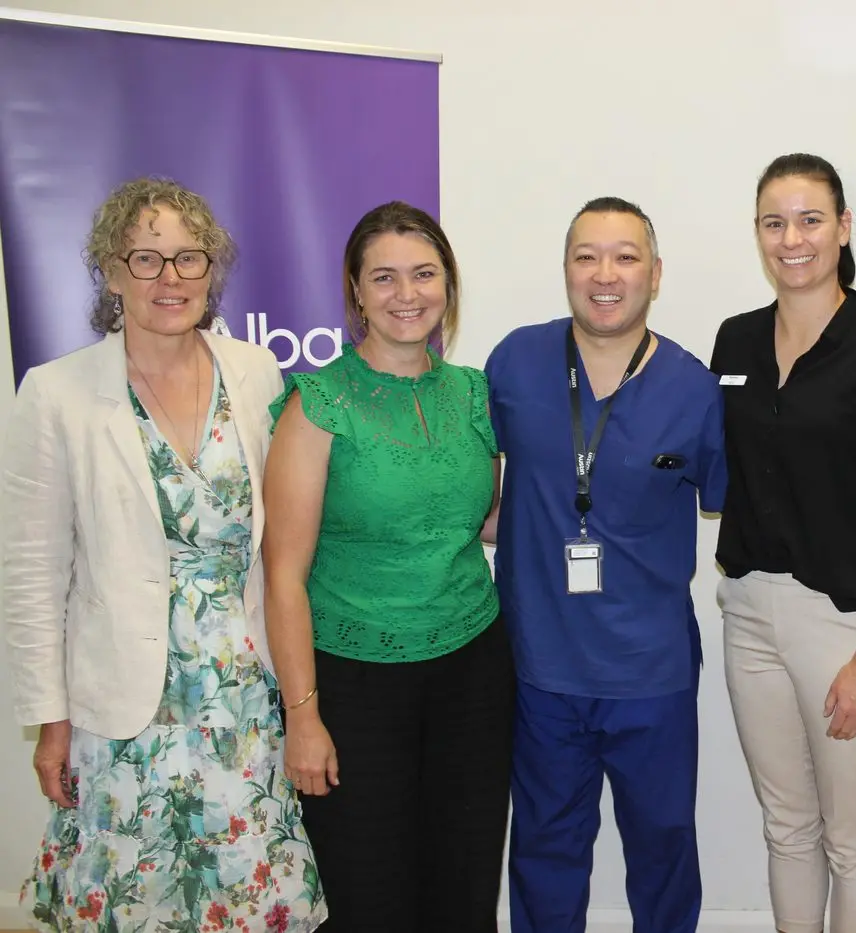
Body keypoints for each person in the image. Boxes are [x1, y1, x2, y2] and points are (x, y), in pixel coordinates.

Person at [2, 177, 325, 931]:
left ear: (213, 271)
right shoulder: (56, 393)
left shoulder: (255, 374)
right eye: (145, 259)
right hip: (121, 710)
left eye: (189, 258)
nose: (169, 278)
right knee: (130, 905)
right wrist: (50, 719)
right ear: (111, 272)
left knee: (244, 900)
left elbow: (283, 545)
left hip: (241, 701)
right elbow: (31, 575)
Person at [260, 201, 513, 932]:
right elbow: (283, 573)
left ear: (448, 286)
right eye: (386, 277)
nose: (408, 294)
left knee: (464, 883)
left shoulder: (472, 393)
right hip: (351, 682)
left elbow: (481, 519)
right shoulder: (317, 403)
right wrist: (302, 716)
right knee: (370, 893)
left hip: (472, 669)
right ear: (356, 292)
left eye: (425, 274)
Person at [710, 153, 856, 933]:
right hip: (746, 613)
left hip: (844, 624)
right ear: (757, 235)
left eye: (810, 219)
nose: (792, 238)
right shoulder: (734, 342)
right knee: (785, 825)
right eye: (774, 222)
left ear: (843, 229)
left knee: (850, 836)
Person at [485, 196, 725, 933]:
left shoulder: (693, 385)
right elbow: (473, 486)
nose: (605, 274)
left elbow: (728, 497)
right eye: (586, 255)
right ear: (565, 269)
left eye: (624, 256)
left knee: (662, 850)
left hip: (649, 673)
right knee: (544, 851)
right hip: (540, 669)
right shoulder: (514, 362)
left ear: (654, 273)